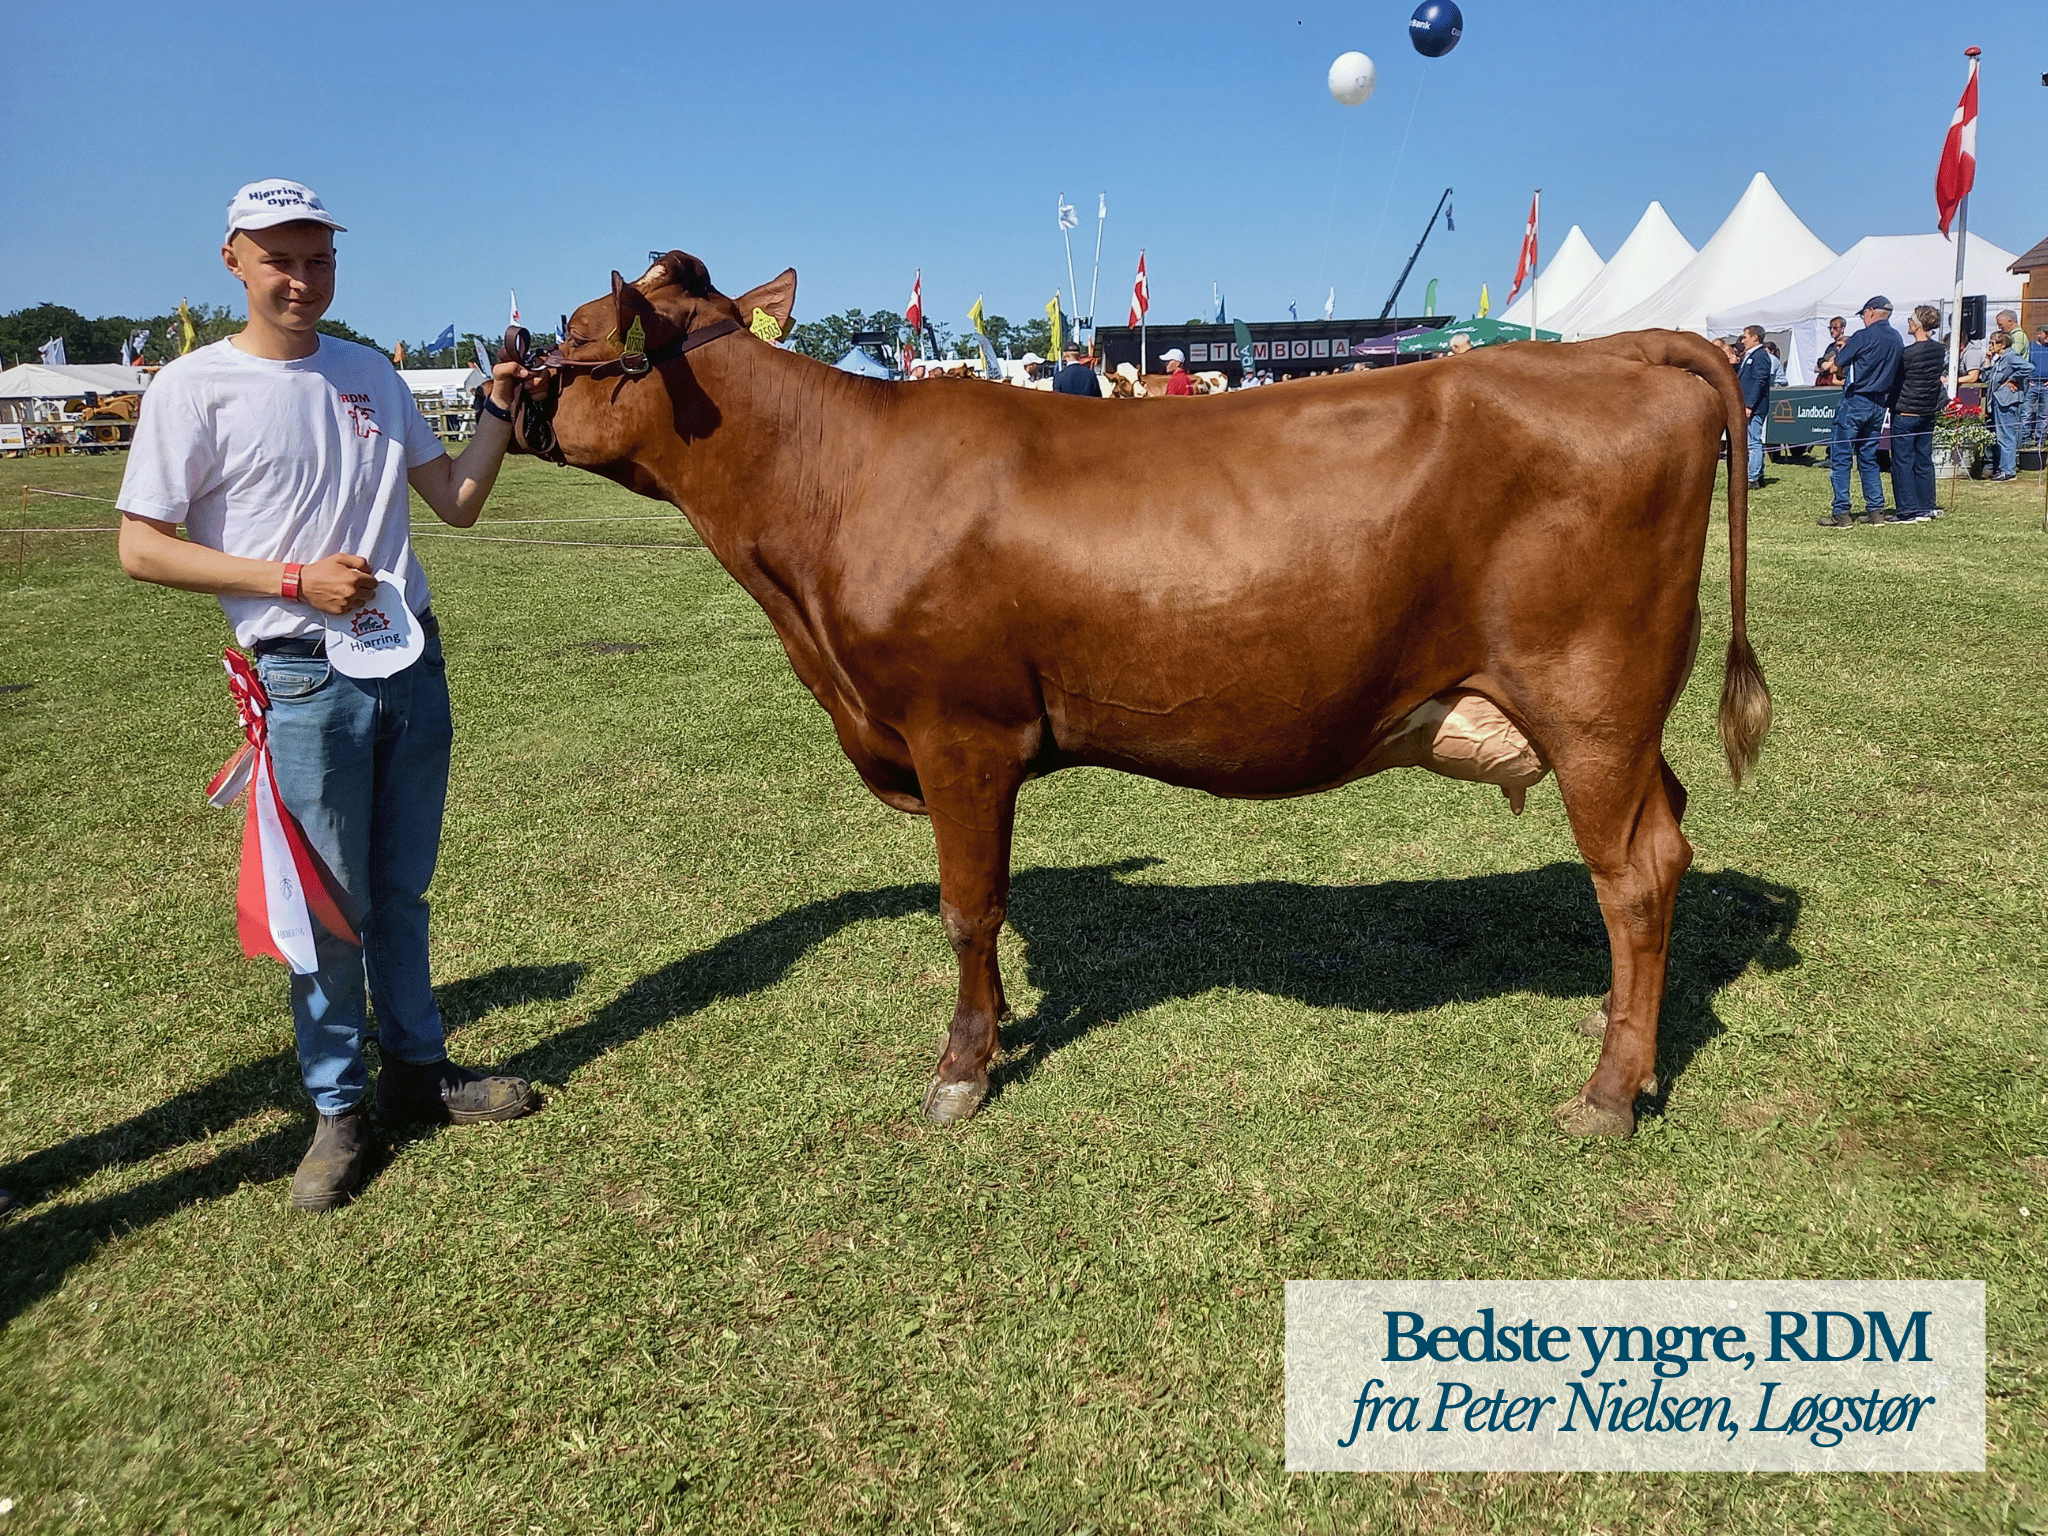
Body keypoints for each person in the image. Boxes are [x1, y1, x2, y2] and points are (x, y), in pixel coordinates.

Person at [115, 179, 544, 1213]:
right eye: (280, 260)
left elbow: (459, 505)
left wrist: (496, 414)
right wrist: (291, 580)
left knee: (399, 890)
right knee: (329, 909)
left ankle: (418, 1070)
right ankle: (338, 1108)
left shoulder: (369, 374)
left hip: (407, 660)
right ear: (234, 262)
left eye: (318, 259)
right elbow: (139, 549)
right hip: (301, 674)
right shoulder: (192, 387)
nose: (302, 280)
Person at [1819, 297, 1903, 527]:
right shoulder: (1897, 338)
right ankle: (1876, 511)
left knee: (1842, 456)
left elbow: (1841, 361)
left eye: (1864, 314)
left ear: (1872, 312)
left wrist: (1830, 363)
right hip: (1879, 403)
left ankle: (1841, 512)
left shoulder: (1864, 336)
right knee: (1868, 457)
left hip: (1857, 399)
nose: (1863, 318)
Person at [1887, 305, 1948, 521]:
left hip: (1906, 411)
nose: (1908, 323)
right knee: (1924, 459)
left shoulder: (1908, 354)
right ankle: (1926, 506)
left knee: (1902, 462)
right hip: (1928, 412)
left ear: (1919, 324)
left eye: (1911, 319)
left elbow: (1895, 379)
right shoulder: (1939, 350)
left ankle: (1907, 510)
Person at [1959, 330, 2033, 480]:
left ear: (2003, 344)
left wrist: (2013, 379)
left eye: (1993, 343)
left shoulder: (2011, 356)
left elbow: (2028, 367)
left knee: (2006, 436)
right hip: (1998, 401)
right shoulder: (1999, 359)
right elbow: (1987, 378)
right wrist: (1987, 361)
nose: (1990, 346)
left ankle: (2008, 471)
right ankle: (2002, 468)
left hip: (2007, 400)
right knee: (2000, 436)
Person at [1737, 324, 1773, 489]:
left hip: (1755, 407)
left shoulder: (1760, 356)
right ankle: (1757, 474)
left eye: (1745, 336)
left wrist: (1750, 405)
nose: (1742, 340)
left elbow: (1760, 381)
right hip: (1748, 405)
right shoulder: (1749, 356)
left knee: (1754, 441)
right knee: (1751, 440)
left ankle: (1753, 478)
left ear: (1755, 337)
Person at [1814, 315, 1849, 385]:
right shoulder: (1830, 347)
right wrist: (1823, 364)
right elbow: (1817, 367)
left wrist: (1829, 365)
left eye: (1835, 328)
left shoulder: (1848, 344)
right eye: (1830, 328)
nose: (1832, 330)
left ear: (1842, 328)